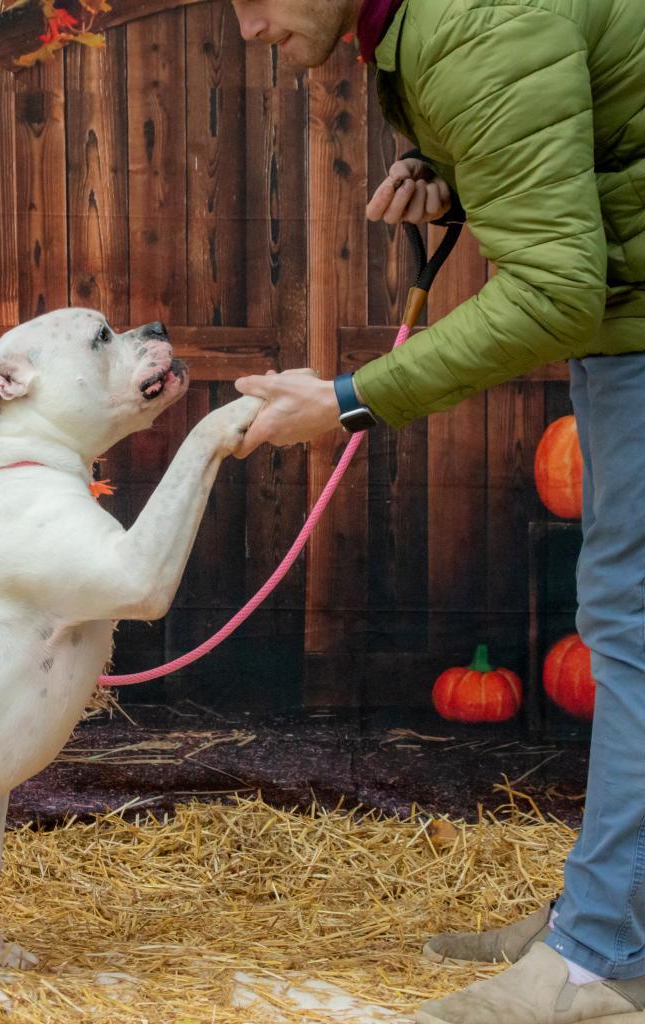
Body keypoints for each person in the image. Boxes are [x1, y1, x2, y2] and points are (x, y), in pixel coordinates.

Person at [227, 1, 645, 1022]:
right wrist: (461, 174)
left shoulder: (471, 26)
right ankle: (606, 927)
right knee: (622, 623)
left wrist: (347, 399)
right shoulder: (431, 25)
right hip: (627, 321)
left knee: (631, 633)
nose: (246, 26)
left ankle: (594, 962)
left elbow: (552, 287)